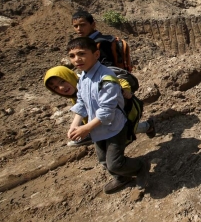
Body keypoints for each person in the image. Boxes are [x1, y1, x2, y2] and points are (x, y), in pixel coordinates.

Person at [63, 37, 150, 194]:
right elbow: (81, 103)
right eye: (72, 56)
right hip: (97, 128)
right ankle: (122, 178)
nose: (77, 59)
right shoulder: (83, 77)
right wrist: (75, 125)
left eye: (81, 54)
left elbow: (106, 112)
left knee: (115, 163)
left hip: (114, 127)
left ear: (96, 55)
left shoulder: (106, 78)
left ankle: (141, 166)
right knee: (104, 161)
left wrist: (86, 128)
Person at [44, 65, 156, 147]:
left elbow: (118, 81)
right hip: (106, 119)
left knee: (125, 129)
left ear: (68, 76)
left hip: (121, 112)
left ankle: (147, 126)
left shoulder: (91, 81)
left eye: (62, 81)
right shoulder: (75, 94)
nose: (61, 88)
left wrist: (126, 90)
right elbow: (83, 110)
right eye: (55, 87)